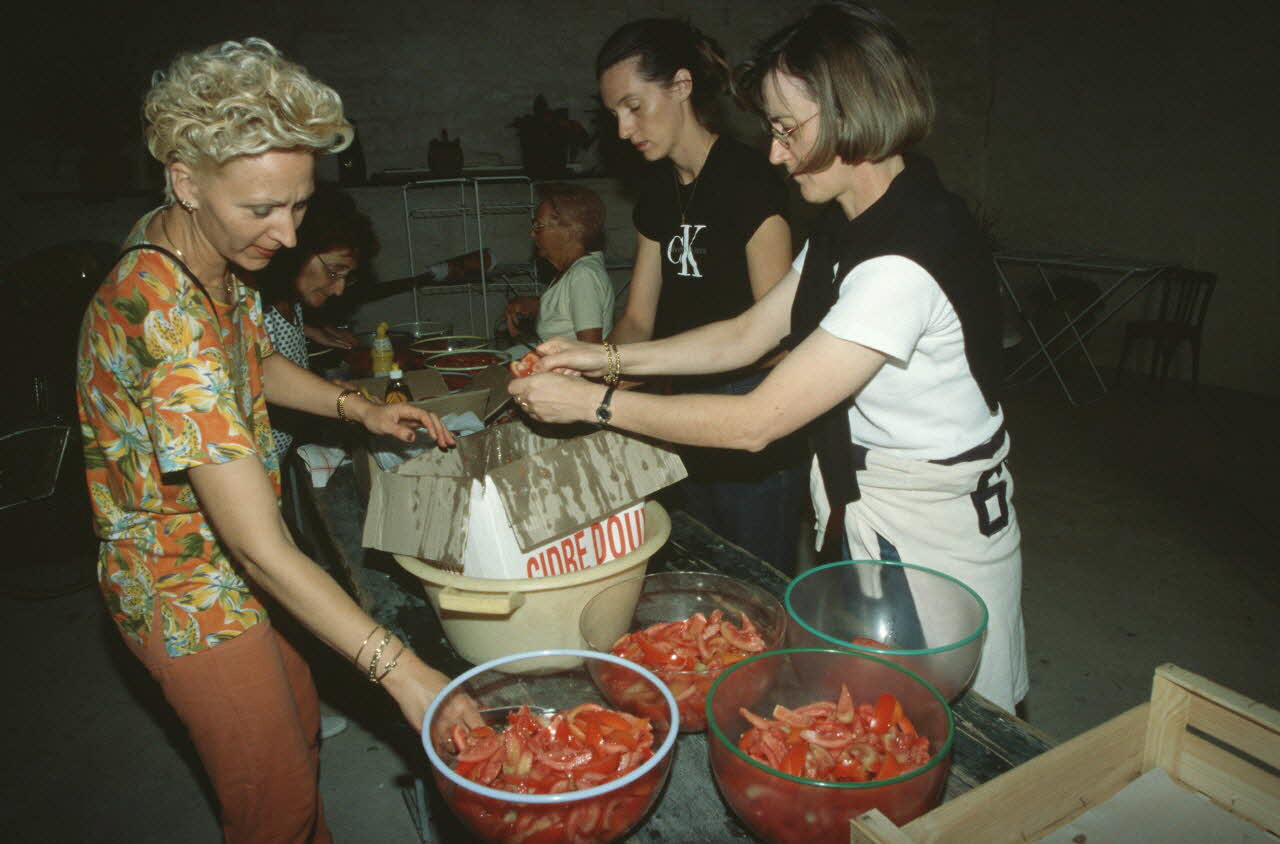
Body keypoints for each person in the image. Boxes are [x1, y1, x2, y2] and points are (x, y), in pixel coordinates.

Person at [511, 1, 1029, 712]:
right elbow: (747, 333)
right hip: (867, 504)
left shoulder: (904, 258)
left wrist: (593, 404)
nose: (777, 155)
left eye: (788, 129)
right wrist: (604, 361)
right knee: (872, 709)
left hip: (931, 533)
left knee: (951, 724)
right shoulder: (850, 225)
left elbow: (756, 421)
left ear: (852, 112)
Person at [75, 38, 477, 843]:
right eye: (262, 209)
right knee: (274, 806)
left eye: (298, 204)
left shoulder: (198, 248)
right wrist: (406, 674)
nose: (288, 236)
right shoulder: (162, 313)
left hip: (240, 567)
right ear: (186, 180)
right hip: (187, 594)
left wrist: (358, 408)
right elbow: (258, 548)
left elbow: (252, 358)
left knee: (297, 739)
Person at [594, 17, 806, 572]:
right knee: (701, 573)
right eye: (614, 114)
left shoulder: (749, 178)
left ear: (682, 85)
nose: (624, 129)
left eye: (633, 106)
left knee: (758, 582)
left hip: (751, 405)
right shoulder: (657, 192)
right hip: (682, 408)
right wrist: (589, 373)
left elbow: (775, 338)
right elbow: (638, 321)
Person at [256, 181, 377, 466]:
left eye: (347, 277)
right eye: (334, 271)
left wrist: (309, 330)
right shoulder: (258, 311)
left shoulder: (292, 302)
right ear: (295, 253)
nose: (339, 290)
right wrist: (344, 403)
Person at [504, 182, 614, 345]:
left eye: (538, 226)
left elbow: (590, 350)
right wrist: (535, 305)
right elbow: (567, 312)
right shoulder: (574, 272)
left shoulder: (582, 276)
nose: (532, 233)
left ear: (570, 231)